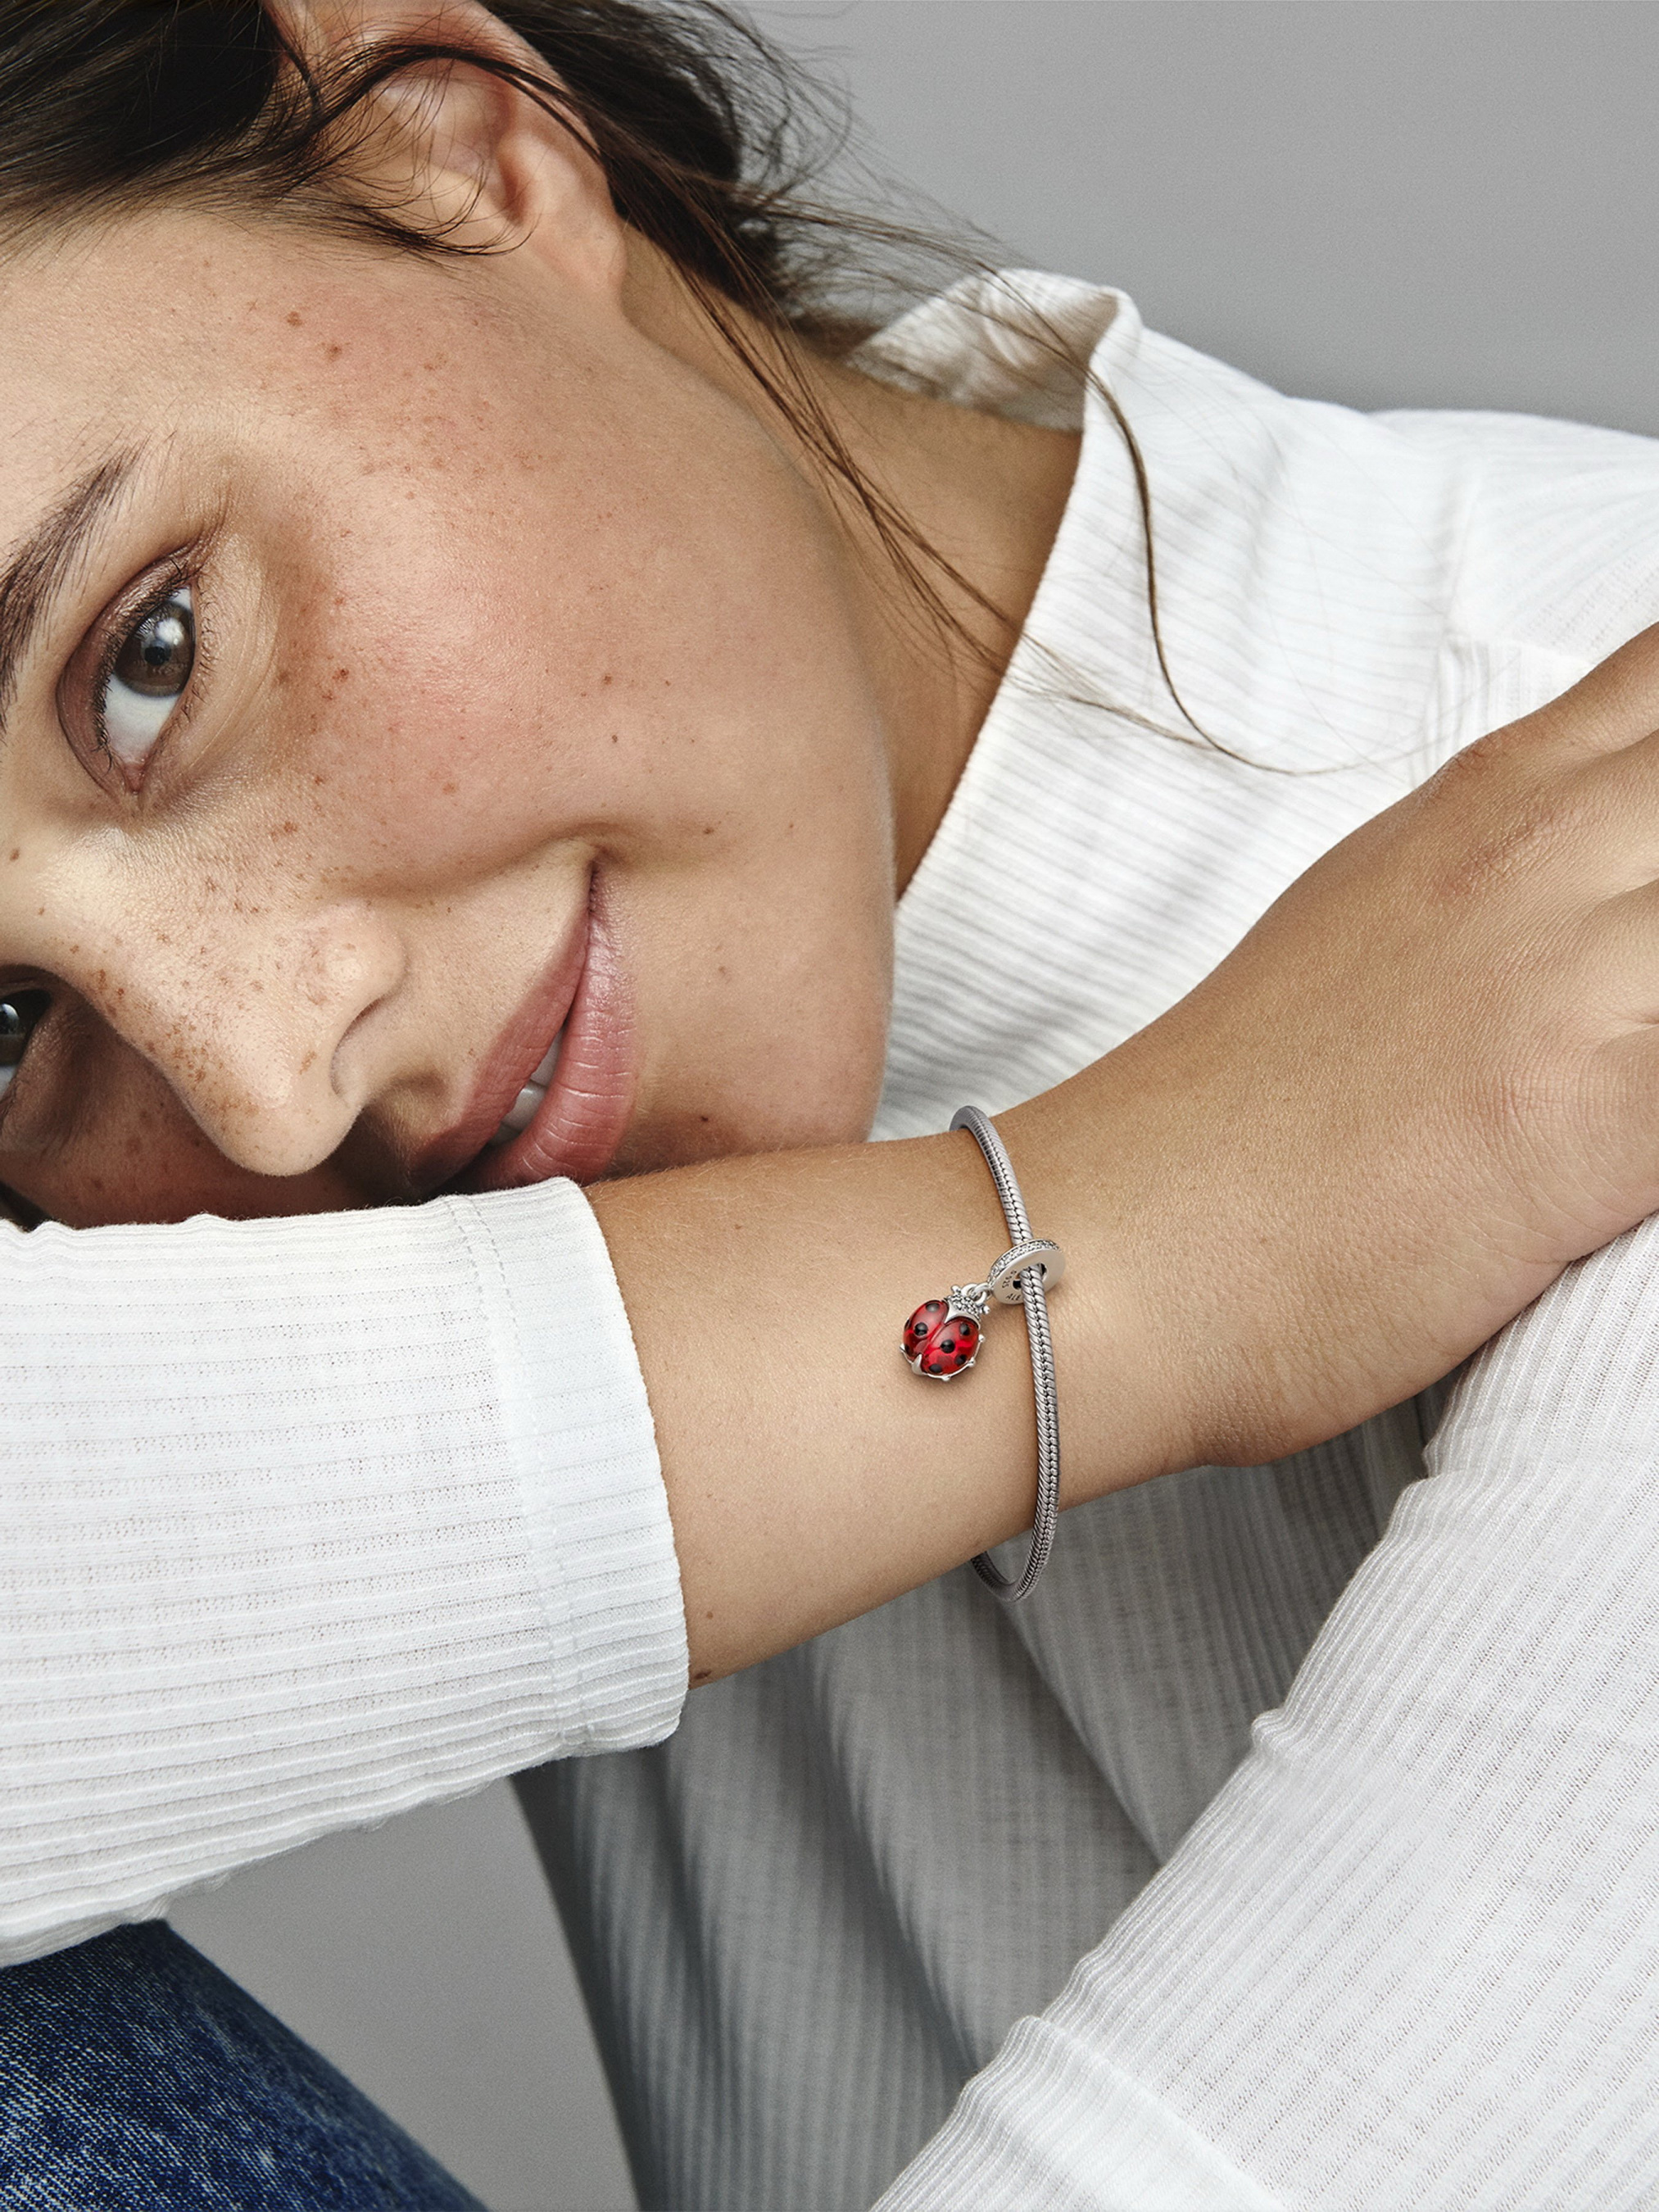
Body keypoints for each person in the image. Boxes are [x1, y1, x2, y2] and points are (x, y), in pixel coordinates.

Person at [7, 1, 1659, 2205]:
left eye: (149, 655)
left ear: (463, 149)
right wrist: (1127, 1241)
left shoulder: (1610, 945)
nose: (269, 1084)